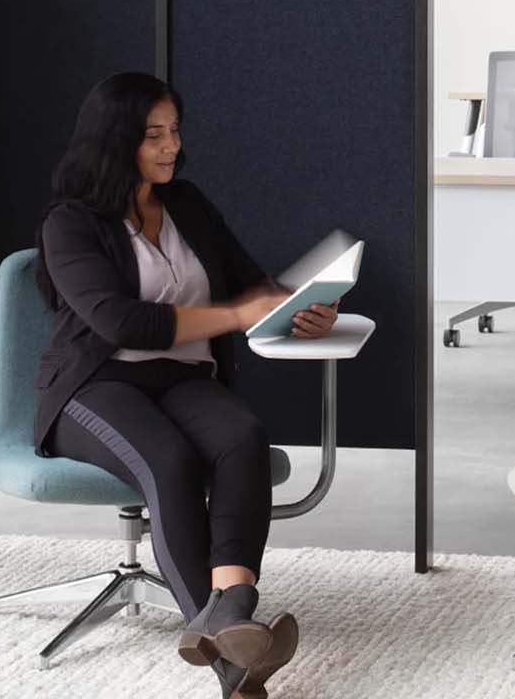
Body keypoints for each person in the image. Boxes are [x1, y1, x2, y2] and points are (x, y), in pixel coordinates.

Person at [33, 72, 340, 698]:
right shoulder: (70, 224)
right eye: (153, 135)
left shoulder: (189, 204)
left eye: (174, 131)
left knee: (242, 437)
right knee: (170, 461)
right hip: (95, 386)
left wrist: (302, 307)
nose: (171, 146)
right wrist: (236, 316)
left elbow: (249, 284)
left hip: (182, 375)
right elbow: (125, 322)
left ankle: (230, 614)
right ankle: (237, 664)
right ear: (115, 140)